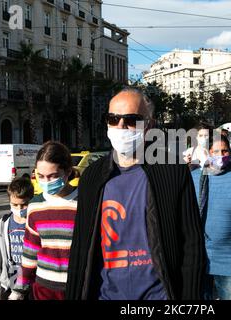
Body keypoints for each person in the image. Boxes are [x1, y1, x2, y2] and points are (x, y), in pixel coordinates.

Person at [65, 87, 205, 300]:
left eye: (131, 119)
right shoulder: (92, 177)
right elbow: (80, 247)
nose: (121, 126)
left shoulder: (172, 170)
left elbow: (192, 243)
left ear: (148, 125)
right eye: (112, 118)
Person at [191, 134, 231, 300]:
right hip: (200, 255)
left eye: (225, 151)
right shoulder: (195, 177)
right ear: (208, 152)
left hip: (230, 256)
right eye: (215, 151)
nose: (221, 155)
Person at [11, 141, 78, 300]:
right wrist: (19, 290)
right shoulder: (35, 206)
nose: (46, 181)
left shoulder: (84, 201)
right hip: (44, 289)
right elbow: (29, 253)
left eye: (53, 176)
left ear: (67, 171)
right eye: (41, 176)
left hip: (77, 286)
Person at [0, 177, 34, 300]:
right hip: (11, 280)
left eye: (24, 205)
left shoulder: (35, 221)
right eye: (15, 204)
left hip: (33, 281)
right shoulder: (4, 223)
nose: (19, 208)